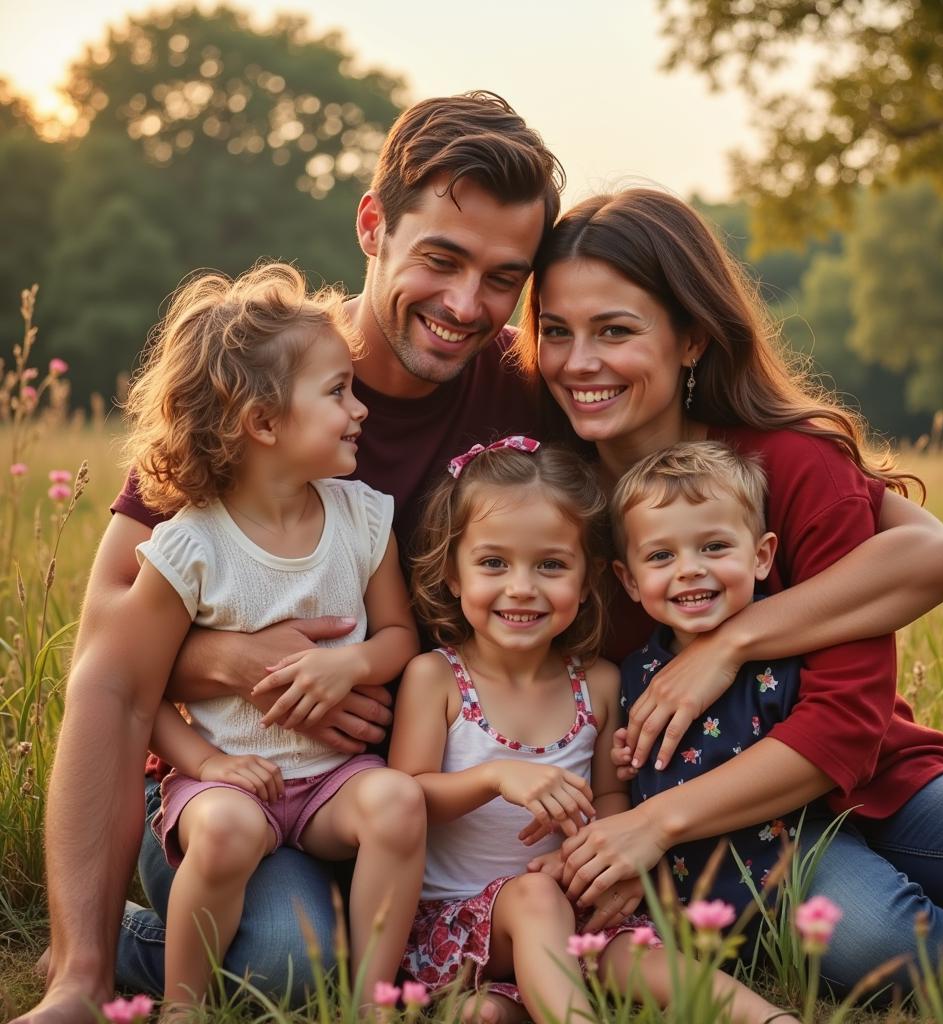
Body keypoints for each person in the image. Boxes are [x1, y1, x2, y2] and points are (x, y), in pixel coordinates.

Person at [21, 91, 560, 1024]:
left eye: (504, 278)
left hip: (384, 800)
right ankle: (92, 964)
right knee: (282, 964)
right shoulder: (257, 384)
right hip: (229, 779)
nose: (468, 305)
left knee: (315, 952)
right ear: (372, 225)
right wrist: (223, 658)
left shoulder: (528, 399)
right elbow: (109, 670)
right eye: (441, 259)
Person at [513, 187, 943, 993]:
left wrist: (731, 642)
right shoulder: (549, 516)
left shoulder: (784, 465)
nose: (580, 363)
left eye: (615, 330)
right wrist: (630, 831)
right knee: (896, 953)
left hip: (878, 785)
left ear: (690, 339)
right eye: (556, 332)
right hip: (725, 838)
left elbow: (849, 720)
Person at [390, 438, 798, 1024]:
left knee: (632, 959)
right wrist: (496, 776)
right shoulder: (436, 678)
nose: (522, 587)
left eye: (551, 565)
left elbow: (610, 797)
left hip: (573, 904)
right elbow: (407, 799)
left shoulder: (599, 684)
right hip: (456, 923)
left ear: (586, 583)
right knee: (528, 907)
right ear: (452, 575)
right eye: (493, 563)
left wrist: (592, 859)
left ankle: (771, 1019)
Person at [122, 262, 425, 1015]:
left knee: (396, 804)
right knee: (224, 830)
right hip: (225, 784)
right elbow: (142, 687)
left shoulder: (362, 519)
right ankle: (185, 1003)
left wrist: (350, 663)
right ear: (262, 422)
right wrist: (210, 762)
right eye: (337, 393)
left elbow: (399, 639)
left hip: (330, 784)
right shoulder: (190, 544)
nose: (360, 409)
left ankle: (371, 1002)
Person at [609, 440, 822, 908]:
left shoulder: (785, 651)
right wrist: (625, 761)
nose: (690, 569)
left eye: (715, 547)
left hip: (792, 879)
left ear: (762, 556)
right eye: (661, 556)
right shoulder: (634, 672)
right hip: (683, 895)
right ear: (629, 580)